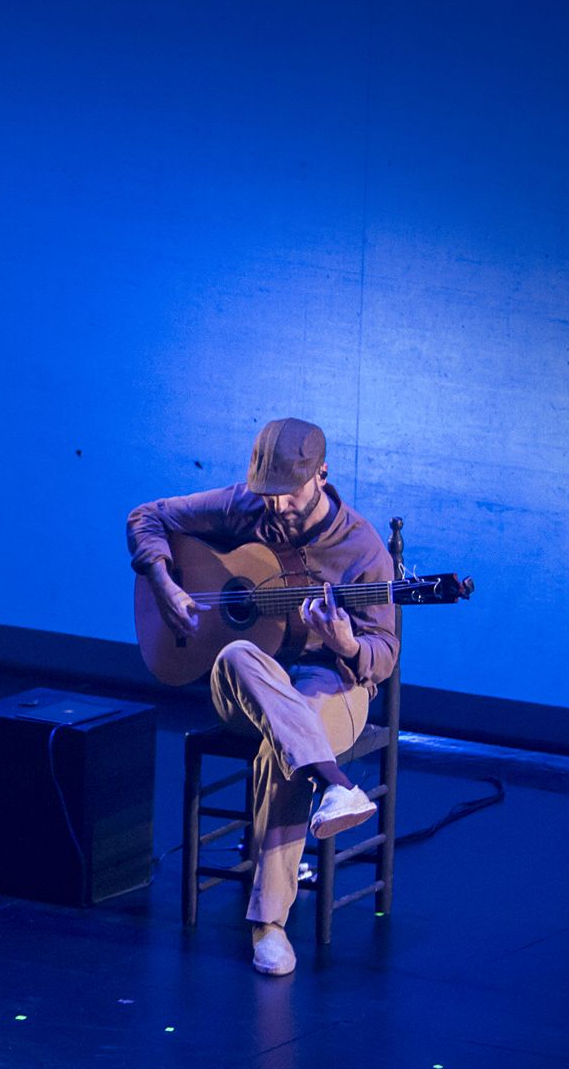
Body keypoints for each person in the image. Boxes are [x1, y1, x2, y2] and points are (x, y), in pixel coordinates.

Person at [125, 418, 398, 976]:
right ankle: (337, 786)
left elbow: (383, 654)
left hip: (332, 684)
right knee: (236, 655)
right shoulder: (245, 505)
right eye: (266, 494)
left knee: (291, 740)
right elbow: (145, 516)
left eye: (287, 494)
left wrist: (347, 643)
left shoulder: (362, 547)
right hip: (249, 687)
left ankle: (268, 924)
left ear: (321, 474)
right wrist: (163, 581)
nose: (274, 508)